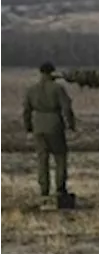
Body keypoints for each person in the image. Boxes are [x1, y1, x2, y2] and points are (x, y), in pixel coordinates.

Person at [23, 62, 75, 200]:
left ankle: (44, 190)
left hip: (38, 127)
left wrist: (28, 127)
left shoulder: (31, 90)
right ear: (52, 72)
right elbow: (66, 108)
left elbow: (26, 111)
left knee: (42, 159)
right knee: (60, 157)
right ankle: (60, 189)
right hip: (55, 126)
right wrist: (71, 124)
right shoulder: (58, 89)